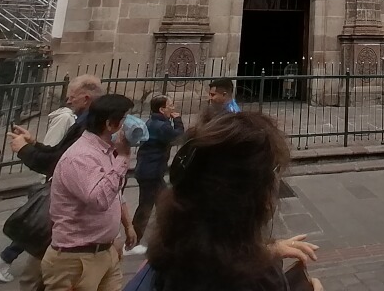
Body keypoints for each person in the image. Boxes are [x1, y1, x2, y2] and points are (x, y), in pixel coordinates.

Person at [126, 112, 324, 291]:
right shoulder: (256, 280)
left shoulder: (168, 251)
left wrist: (265, 251)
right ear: (255, 198)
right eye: (274, 174)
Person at [0, 74, 103, 288]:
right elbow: (60, 153)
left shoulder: (87, 124)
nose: (69, 101)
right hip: (74, 217)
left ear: (86, 98)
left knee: (35, 277)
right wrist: (34, 143)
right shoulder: (85, 121)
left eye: (73, 97)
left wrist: (24, 150)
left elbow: (58, 163)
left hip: (70, 212)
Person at [42, 94, 138, 291]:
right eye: (126, 120)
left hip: (105, 252)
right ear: (110, 125)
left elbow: (115, 193)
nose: (131, 126)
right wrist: (124, 158)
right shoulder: (80, 157)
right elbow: (100, 199)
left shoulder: (108, 151)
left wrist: (126, 225)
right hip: (76, 259)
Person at [127, 95, 185, 256]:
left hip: (152, 170)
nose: (173, 109)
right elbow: (178, 137)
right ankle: (133, 241)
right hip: (150, 171)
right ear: (162, 109)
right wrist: (178, 120)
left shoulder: (157, 122)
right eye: (170, 106)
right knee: (146, 206)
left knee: (164, 204)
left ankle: (168, 237)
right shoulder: (160, 126)